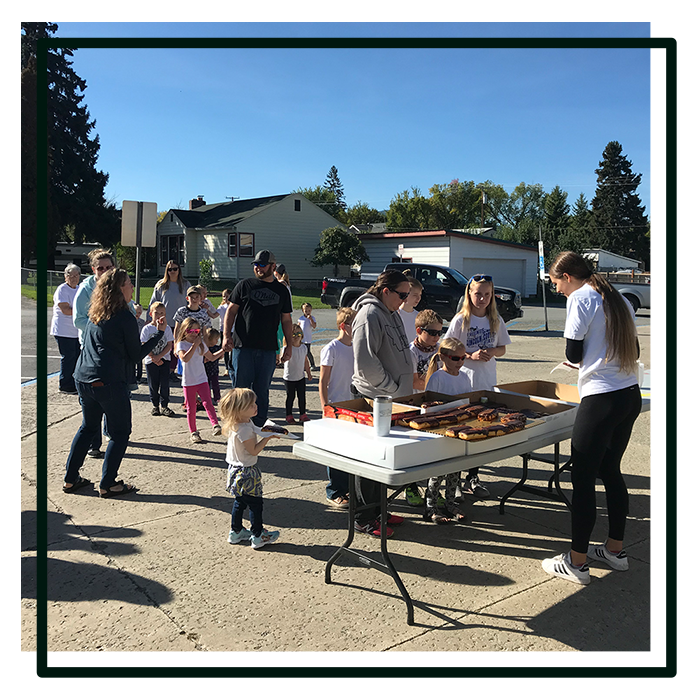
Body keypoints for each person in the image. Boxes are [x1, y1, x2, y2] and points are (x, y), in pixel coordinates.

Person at [541, 251, 642, 586]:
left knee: (582, 477)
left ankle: (577, 562)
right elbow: (635, 351)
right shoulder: (617, 298)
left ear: (567, 276)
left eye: (556, 282)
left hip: (601, 398)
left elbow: (572, 353)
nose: (556, 290)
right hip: (629, 395)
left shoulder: (581, 298)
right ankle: (614, 550)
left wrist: (582, 360)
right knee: (610, 471)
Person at [62, 268, 166, 497]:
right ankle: (108, 483)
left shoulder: (95, 312)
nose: (131, 287)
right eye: (129, 283)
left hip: (83, 378)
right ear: (120, 288)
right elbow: (135, 355)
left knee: (88, 427)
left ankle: (70, 479)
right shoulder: (124, 317)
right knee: (120, 434)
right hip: (108, 382)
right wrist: (158, 335)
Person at [350, 269, 414, 537]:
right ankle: (364, 517)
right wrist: (392, 388)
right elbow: (365, 363)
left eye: (407, 294)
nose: (405, 299)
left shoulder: (389, 312)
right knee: (368, 462)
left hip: (389, 398)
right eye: (401, 294)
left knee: (382, 460)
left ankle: (378, 510)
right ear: (385, 291)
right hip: (373, 398)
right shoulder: (369, 315)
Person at [444, 273, 511, 500]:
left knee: (480, 430)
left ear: (492, 296)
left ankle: (473, 476)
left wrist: (490, 352)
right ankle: (453, 479)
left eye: (486, 295)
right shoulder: (460, 320)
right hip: (463, 380)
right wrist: (469, 355)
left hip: (486, 382)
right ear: (469, 294)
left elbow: (502, 347)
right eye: (477, 294)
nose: (481, 299)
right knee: (461, 428)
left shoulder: (496, 320)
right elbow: (447, 347)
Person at [221, 250, 293, 427]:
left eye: (262, 264)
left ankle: (258, 426)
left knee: (262, 390)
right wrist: (226, 335)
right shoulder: (245, 285)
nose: (258, 268)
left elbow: (286, 319)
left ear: (273, 266)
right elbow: (231, 311)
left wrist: (289, 345)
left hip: (268, 348)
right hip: (243, 346)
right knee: (241, 389)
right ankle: (237, 426)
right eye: (255, 265)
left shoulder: (281, 290)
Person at [221, 388, 282, 550]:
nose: (256, 406)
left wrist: (268, 430)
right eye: (251, 405)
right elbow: (254, 450)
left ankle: (236, 531)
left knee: (240, 501)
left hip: (235, 470)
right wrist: (266, 439)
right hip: (247, 472)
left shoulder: (242, 422)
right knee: (255, 504)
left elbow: (256, 429)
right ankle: (258, 535)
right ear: (239, 409)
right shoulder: (244, 429)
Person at [421, 337, 473, 523]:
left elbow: (468, 401)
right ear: (443, 357)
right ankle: (430, 506)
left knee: (455, 470)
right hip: (440, 430)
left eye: (463, 358)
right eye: (455, 358)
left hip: (458, 429)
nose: (460, 362)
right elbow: (427, 405)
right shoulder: (437, 378)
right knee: (438, 472)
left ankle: (450, 503)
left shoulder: (465, 377)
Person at [403, 308, 443, 508]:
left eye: (439, 333)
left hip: (434, 404)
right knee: (413, 449)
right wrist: (435, 380)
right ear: (419, 331)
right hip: (414, 405)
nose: (437, 337)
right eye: (432, 333)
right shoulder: (410, 352)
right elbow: (415, 382)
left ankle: (432, 488)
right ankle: (410, 487)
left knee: (432, 450)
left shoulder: (439, 350)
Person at [319, 307, 356, 508]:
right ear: (343, 326)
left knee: (351, 450)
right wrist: (326, 406)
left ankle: (350, 488)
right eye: (353, 324)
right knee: (336, 451)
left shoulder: (357, 347)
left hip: (354, 406)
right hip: (336, 406)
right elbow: (323, 381)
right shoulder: (331, 349)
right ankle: (335, 491)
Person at [175, 318, 224, 443]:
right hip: (189, 381)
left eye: (196, 330)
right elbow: (184, 358)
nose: (194, 333)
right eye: (190, 330)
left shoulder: (201, 343)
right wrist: (194, 345)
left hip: (201, 378)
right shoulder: (181, 344)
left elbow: (211, 357)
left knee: (207, 402)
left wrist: (223, 350)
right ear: (185, 331)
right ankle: (193, 432)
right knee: (191, 408)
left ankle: (215, 424)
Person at [148, 261, 190, 382]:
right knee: (164, 346)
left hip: (180, 322)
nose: (172, 271)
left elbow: (190, 301)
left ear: (179, 270)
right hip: (163, 321)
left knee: (177, 346)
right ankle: (162, 369)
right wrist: (150, 319)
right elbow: (153, 302)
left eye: (175, 269)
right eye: (170, 269)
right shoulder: (161, 284)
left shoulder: (185, 284)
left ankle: (172, 370)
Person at [50, 263, 81, 394]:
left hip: (76, 330)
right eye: (70, 275)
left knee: (77, 357)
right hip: (63, 330)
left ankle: (75, 382)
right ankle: (65, 384)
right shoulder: (62, 289)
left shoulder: (79, 289)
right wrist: (83, 311)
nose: (73, 278)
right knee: (68, 357)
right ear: (65, 276)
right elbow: (65, 310)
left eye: (76, 275)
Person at [141, 302, 175, 417]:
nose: (160, 316)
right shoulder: (147, 329)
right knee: (153, 383)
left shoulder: (167, 329)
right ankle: (155, 405)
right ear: (151, 314)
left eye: (162, 313)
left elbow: (169, 345)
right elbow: (144, 344)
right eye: (157, 313)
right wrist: (153, 357)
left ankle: (164, 405)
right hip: (151, 361)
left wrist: (159, 356)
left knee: (164, 384)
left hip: (164, 360)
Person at [283, 323, 312, 424]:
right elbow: (283, 360)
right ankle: (289, 415)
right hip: (289, 377)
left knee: (302, 396)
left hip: (300, 377)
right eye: (293, 335)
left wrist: (308, 372)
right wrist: (283, 359)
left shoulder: (303, 348)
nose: (296, 337)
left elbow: (305, 361)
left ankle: (302, 414)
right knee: (290, 396)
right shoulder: (287, 348)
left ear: (302, 336)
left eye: (298, 334)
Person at [273, 264, 292, 368]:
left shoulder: (281, 284)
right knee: (281, 336)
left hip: (281, 313)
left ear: (276, 273)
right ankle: (278, 357)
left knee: (277, 336)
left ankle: (277, 359)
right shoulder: (286, 283)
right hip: (286, 312)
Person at [397, 272, 423, 343]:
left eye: (420, 295)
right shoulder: (395, 314)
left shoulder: (419, 316)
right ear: (406, 294)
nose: (418, 298)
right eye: (415, 295)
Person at [203, 327, 223, 405]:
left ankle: (217, 398)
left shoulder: (217, 348)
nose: (217, 341)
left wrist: (221, 353)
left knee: (216, 385)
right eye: (216, 339)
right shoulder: (205, 348)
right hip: (205, 370)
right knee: (206, 386)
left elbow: (221, 357)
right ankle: (206, 398)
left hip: (214, 370)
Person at [217, 289, 234, 375]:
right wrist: (207, 309)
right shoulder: (221, 307)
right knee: (225, 349)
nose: (225, 298)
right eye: (224, 296)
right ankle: (227, 367)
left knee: (233, 349)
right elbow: (214, 315)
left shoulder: (234, 306)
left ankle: (233, 366)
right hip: (223, 330)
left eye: (227, 296)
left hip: (233, 330)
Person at [298, 303, 317, 370]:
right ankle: (303, 365)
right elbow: (298, 327)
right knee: (301, 352)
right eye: (306, 311)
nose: (307, 312)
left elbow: (314, 326)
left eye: (309, 311)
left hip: (307, 339)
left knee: (308, 352)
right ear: (303, 311)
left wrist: (311, 319)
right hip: (301, 338)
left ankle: (312, 364)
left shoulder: (312, 318)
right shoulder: (301, 318)